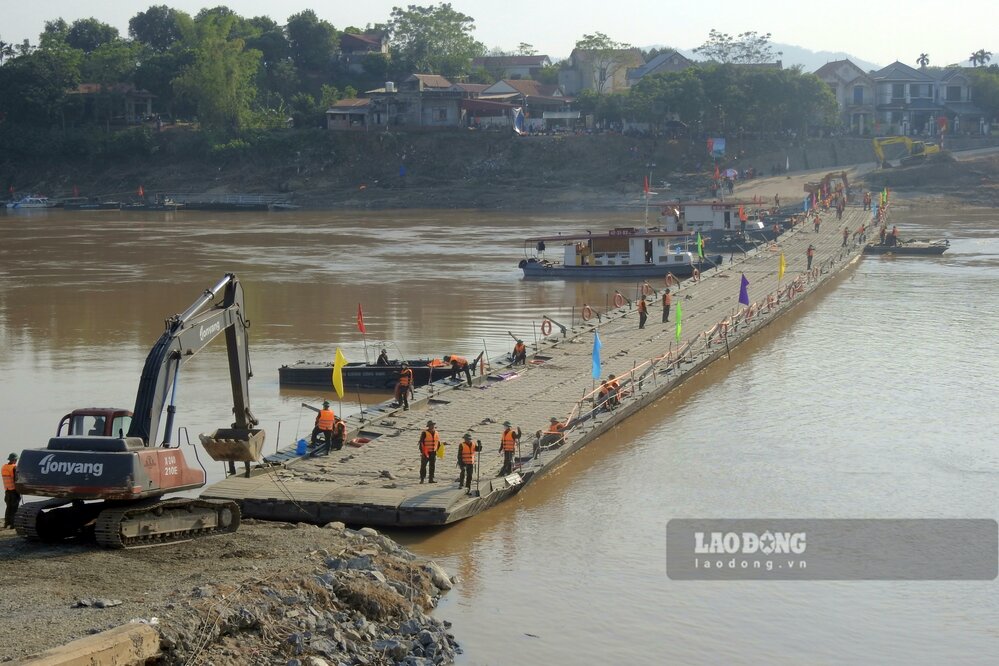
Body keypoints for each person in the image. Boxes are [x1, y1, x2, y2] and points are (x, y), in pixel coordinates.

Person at [2, 453, 18, 529]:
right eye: (16, 460)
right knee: (14, 508)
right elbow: (16, 479)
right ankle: (13, 524)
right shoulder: (14, 468)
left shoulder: (4, 467)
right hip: (14, 491)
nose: (16, 461)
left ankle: (6, 523)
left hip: (7, 490)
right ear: (14, 460)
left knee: (8, 507)